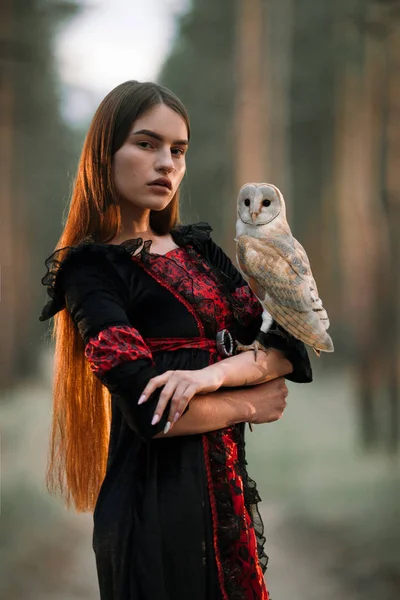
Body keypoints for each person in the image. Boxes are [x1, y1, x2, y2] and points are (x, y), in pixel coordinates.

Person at [39, 80, 312, 600]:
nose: (166, 163)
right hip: (151, 516)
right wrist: (250, 401)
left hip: (225, 505)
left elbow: (288, 347)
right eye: (146, 144)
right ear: (104, 153)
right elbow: (153, 415)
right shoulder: (91, 270)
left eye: (178, 150)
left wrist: (211, 376)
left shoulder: (200, 250)